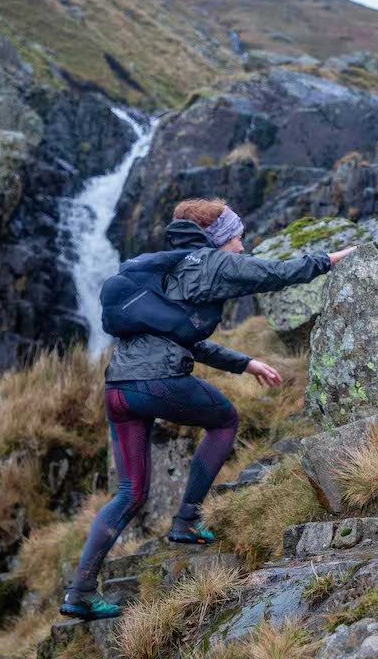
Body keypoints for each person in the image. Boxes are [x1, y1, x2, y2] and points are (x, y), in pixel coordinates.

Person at [61, 199, 356, 620]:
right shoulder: (213, 263)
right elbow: (272, 274)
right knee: (225, 420)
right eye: (236, 234)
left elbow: (181, 340)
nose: (241, 243)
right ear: (220, 238)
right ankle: (186, 519)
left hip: (119, 391)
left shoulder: (171, 270)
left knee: (129, 493)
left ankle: (79, 593)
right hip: (158, 382)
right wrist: (329, 260)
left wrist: (244, 362)